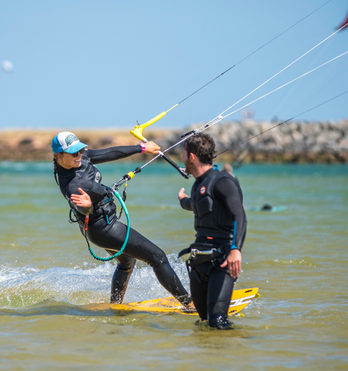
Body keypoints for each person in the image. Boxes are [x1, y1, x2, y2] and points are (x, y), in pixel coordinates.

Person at [52, 131, 192, 307]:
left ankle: (115, 305)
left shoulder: (80, 158)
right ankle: (189, 304)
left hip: (101, 225)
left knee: (126, 262)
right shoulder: (73, 185)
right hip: (103, 229)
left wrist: (141, 148)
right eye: (74, 153)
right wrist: (87, 206)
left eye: (80, 150)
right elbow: (83, 209)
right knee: (158, 258)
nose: (79, 155)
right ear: (59, 155)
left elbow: (109, 153)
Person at [177, 133, 247, 329]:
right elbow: (198, 205)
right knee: (204, 322)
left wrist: (236, 249)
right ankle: (207, 357)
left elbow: (239, 215)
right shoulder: (197, 184)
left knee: (218, 321)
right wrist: (182, 201)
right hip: (199, 261)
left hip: (222, 260)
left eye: (183, 154)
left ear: (192, 157)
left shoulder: (223, 181)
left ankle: (237, 352)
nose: (181, 159)